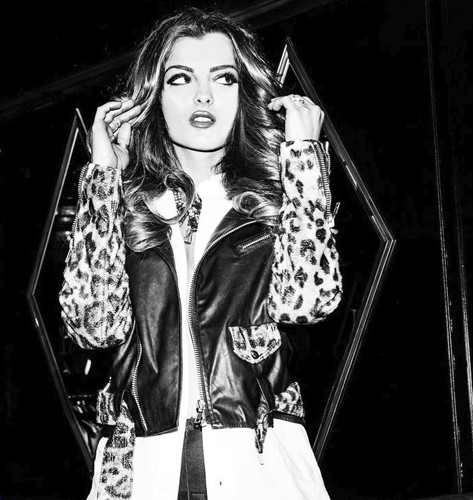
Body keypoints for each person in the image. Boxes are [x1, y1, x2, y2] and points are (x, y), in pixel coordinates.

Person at [59, 6, 342, 500]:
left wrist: (302, 159)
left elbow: (308, 302)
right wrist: (104, 178)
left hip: (255, 463)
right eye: (181, 78)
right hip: (142, 467)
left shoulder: (272, 206)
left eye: (224, 77)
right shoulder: (129, 211)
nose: (203, 95)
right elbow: (92, 325)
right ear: (154, 98)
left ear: (243, 92)